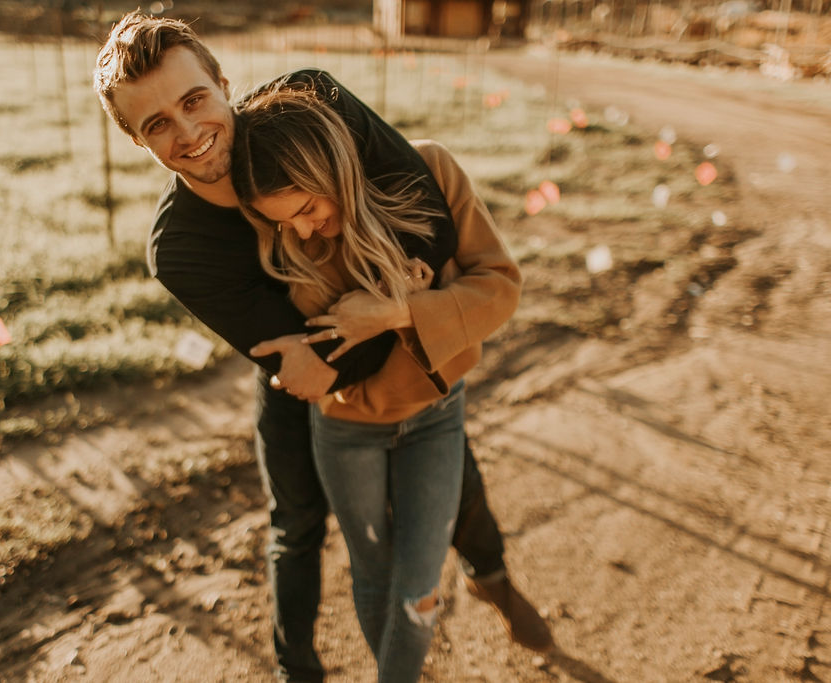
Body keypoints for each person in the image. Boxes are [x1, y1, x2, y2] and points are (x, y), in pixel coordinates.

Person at [92, 13, 553, 681]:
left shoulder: (311, 111)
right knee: (297, 523)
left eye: (194, 100)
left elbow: (432, 227)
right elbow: (322, 358)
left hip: (405, 347)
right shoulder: (181, 248)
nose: (188, 132)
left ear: (224, 84)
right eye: (156, 123)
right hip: (299, 376)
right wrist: (375, 313)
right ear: (135, 139)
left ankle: (492, 577)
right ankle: (297, 666)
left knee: (457, 487)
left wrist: (399, 307)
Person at [230, 83, 525, 681]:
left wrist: (399, 311)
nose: (308, 230)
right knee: (374, 574)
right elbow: (324, 340)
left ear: (333, 165)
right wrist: (409, 296)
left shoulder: (430, 169)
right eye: (290, 222)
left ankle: (496, 586)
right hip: (347, 429)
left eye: (310, 208)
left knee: (417, 587)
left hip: (435, 415)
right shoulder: (293, 245)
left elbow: (499, 287)